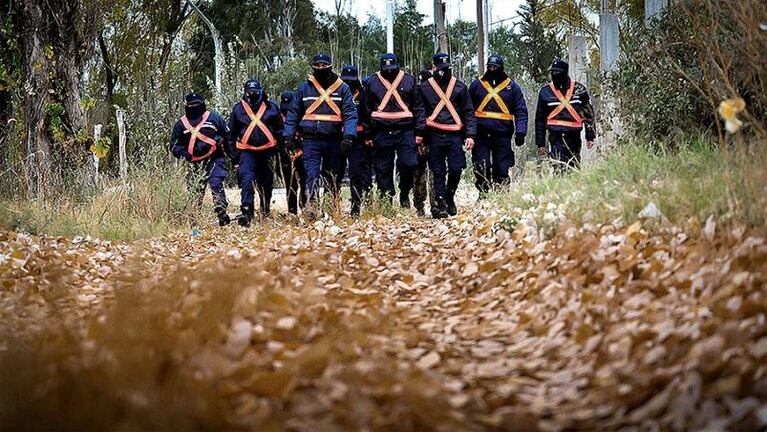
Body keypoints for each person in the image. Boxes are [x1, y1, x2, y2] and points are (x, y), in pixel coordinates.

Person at [283, 53, 358, 218]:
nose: (321, 69)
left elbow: (350, 114)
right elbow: (293, 113)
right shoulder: (304, 89)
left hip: (334, 139)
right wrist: (288, 137)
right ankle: (312, 207)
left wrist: (349, 136)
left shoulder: (343, 88)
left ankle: (332, 207)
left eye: (324, 66)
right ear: (313, 67)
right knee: (311, 174)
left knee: (332, 175)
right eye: (318, 67)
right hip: (310, 140)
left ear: (330, 67)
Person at [419, 53, 476, 218]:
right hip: (434, 134)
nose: (444, 71)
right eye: (441, 68)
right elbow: (420, 113)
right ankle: (441, 203)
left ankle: (450, 195)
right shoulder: (424, 87)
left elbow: (468, 113)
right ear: (434, 67)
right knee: (438, 171)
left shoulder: (460, 87)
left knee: (456, 169)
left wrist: (470, 135)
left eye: (447, 68)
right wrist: (420, 135)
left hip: (455, 136)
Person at [364, 53, 424, 210]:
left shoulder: (409, 80)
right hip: (381, 131)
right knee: (382, 169)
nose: (389, 71)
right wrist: (368, 134)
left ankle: (404, 191)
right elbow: (366, 110)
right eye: (386, 69)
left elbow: (418, 107)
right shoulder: (371, 82)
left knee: (409, 164)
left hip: (405, 131)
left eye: (392, 68)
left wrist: (419, 132)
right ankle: (386, 203)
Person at [469, 55, 528, 197]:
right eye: (490, 66)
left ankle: (501, 196)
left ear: (501, 68)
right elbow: (467, 110)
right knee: (481, 165)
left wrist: (521, 132)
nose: (492, 69)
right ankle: (483, 194)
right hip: (480, 134)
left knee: (502, 167)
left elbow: (521, 110)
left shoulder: (512, 87)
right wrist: (468, 132)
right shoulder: (477, 85)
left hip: (503, 134)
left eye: (495, 67)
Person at [227, 79, 283, 226]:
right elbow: (231, 136)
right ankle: (247, 212)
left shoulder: (272, 107)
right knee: (247, 182)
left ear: (261, 91)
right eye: (249, 92)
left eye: (255, 92)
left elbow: (280, 131)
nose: (252, 94)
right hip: (246, 153)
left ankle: (265, 210)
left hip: (268, 152)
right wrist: (234, 159)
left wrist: (281, 152)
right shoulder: (238, 109)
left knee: (266, 183)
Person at [170, 92, 231, 226]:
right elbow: (173, 145)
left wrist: (232, 156)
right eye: (191, 105)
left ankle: (221, 211)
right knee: (195, 191)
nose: (194, 107)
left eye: (197, 104)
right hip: (194, 162)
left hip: (214, 157)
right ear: (186, 106)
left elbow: (227, 135)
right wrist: (182, 153)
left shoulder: (214, 118)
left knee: (216, 182)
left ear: (203, 104)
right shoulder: (180, 124)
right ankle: (194, 222)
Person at [534, 59, 596, 172]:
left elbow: (588, 114)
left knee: (573, 167)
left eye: (558, 72)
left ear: (565, 72)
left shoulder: (579, 89)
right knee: (558, 166)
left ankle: (572, 188)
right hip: (555, 136)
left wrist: (590, 136)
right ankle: (559, 187)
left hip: (574, 136)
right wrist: (540, 143)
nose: (555, 75)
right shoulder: (545, 92)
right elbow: (540, 119)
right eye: (553, 72)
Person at [337, 65, 373, 217]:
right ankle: (332, 205)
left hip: (358, 139)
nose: (348, 84)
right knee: (334, 172)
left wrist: (368, 136)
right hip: (338, 137)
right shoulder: (335, 93)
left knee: (357, 173)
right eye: (346, 81)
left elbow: (368, 116)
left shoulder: (363, 94)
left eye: (351, 81)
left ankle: (356, 207)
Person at [412, 69, 437, 217]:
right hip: (422, 139)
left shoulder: (436, 96)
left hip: (433, 138)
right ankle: (421, 205)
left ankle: (431, 205)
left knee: (430, 173)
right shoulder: (416, 96)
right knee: (421, 173)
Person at [278, 91, 307, 215]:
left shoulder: (303, 116)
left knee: (305, 181)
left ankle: (305, 208)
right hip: (285, 156)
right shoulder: (277, 119)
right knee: (291, 185)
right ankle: (292, 212)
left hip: (303, 153)